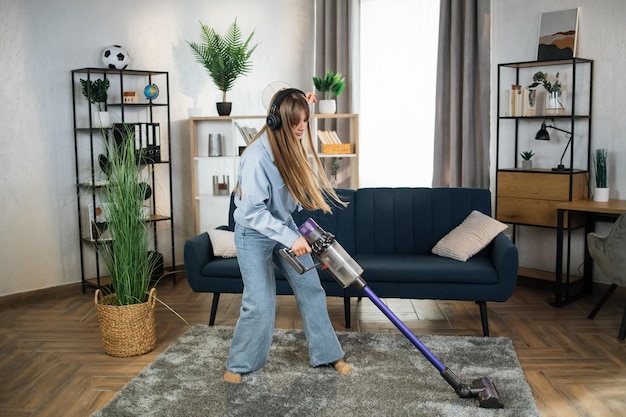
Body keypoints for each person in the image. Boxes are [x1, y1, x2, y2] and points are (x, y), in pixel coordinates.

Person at [223, 88, 352, 384]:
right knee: (259, 301)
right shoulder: (256, 157)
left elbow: (286, 203)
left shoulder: (290, 144)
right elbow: (254, 213)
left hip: (283, 227)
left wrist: (302, 103)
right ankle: (239, 365)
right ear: (277, 121)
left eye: (305, 120)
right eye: (296, 122)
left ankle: (329, 355)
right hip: (253, 234)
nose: (302, 127)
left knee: (311, 288)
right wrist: (290, 238)